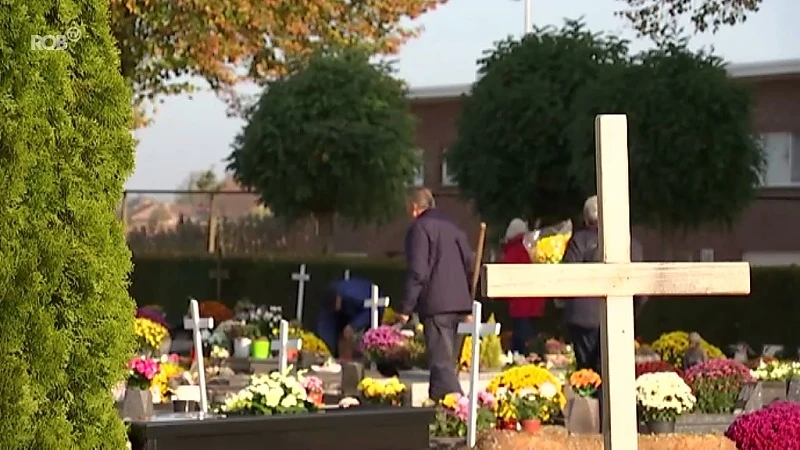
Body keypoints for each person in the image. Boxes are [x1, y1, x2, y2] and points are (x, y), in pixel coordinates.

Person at [396, 188, 474, 401]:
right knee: (445, 365)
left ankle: (461, 409)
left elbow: (418, 271)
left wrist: (406, 308)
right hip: (459, 303)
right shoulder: (454, 227)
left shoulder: (420, 228)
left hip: (436, 305)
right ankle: (438, 409)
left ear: (414, 209)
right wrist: (468, 300)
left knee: (441, 364)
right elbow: (470, 264)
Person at [561, 195, 648, 375]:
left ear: (586, 219)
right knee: (616, 372)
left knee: (588, 375)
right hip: (619, 317)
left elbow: (566, 277)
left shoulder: (579, 241)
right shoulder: (629, 243)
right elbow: (641, 287)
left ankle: (593, 401)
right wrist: (632, 312)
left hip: (583, 319)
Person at [500, 218, 546, 355]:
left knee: (522, 341)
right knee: (530, 339)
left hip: (520, 302)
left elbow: (506, 276)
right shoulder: (532, 248)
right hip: (534, 301)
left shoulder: (513, 250)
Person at [316, 276, 384, 359]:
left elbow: (371, 311)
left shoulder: (353, 295)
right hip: (348, 310)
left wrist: (354, 325)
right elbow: (325, 323)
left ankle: (359, 357)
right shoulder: (330, 297)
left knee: (354, 337)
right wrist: (325, 347)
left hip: (366, 306)